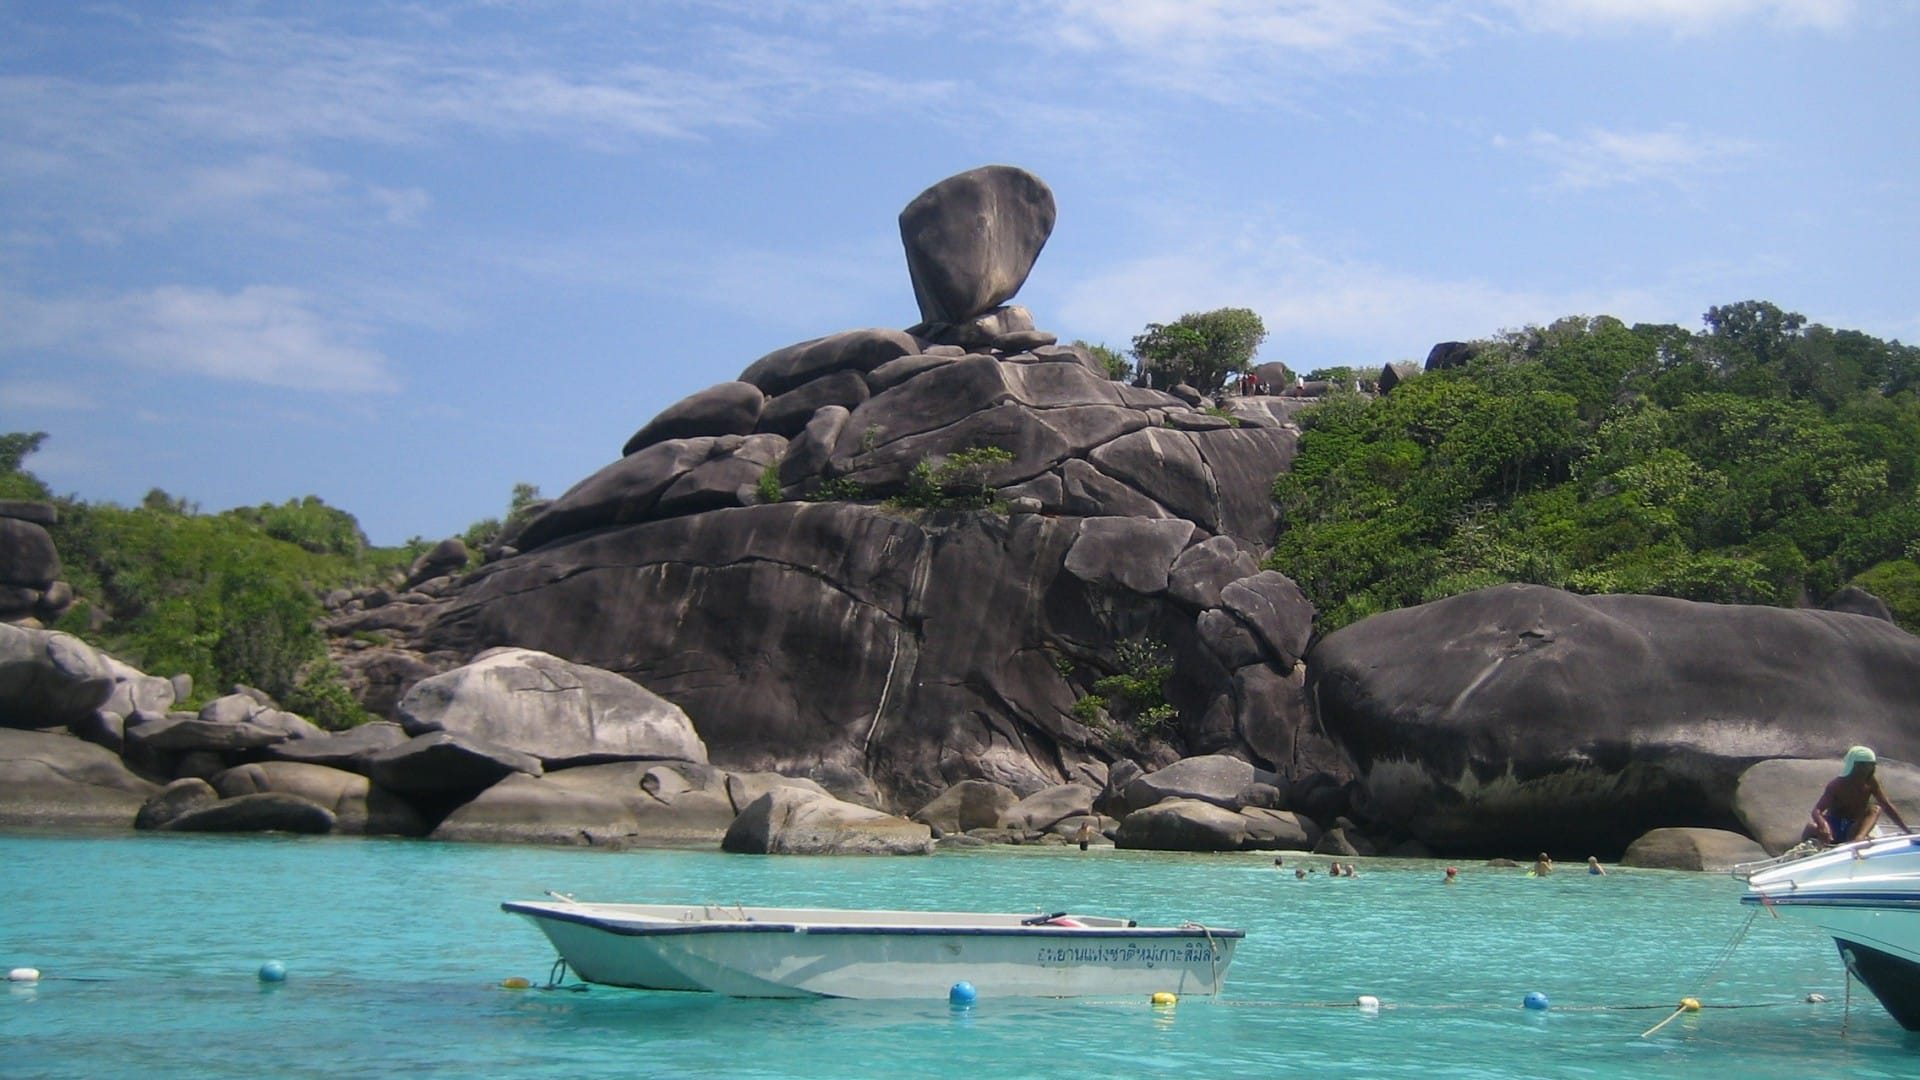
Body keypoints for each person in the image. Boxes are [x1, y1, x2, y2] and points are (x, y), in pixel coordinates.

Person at [1808, 745, 1911, 845]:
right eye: (1865, 765)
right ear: (1854, 765)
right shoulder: (1837, 785)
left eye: (1872, 764)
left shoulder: (1871, 782)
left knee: (1875, 809)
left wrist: (1907, 831)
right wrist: (1823, 825)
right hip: (1834, 825)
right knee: (1811, 827)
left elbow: (1886, 805)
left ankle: (1859, 839)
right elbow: (1816, 811)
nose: (1869, 768)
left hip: (1854, 827)